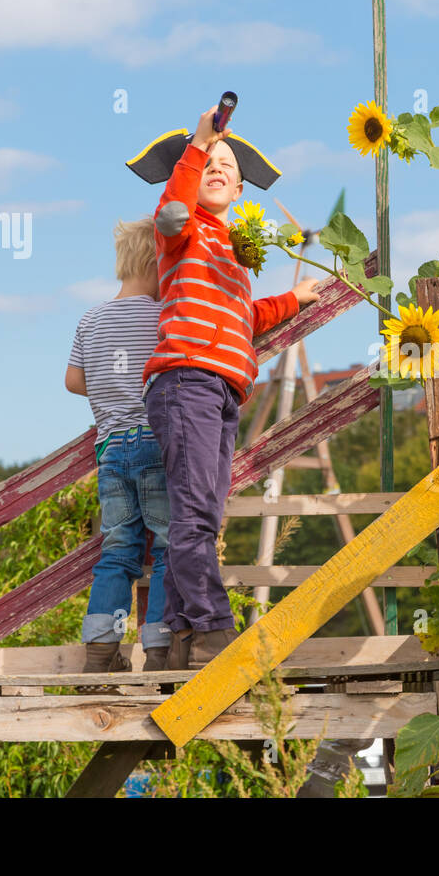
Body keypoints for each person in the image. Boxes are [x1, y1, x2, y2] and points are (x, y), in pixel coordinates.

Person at [142, 106, 320, 669]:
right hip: (187, 379)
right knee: (194, 513)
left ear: (242, 189)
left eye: (227, 166)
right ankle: (215, 630)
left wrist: (295, 300)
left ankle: (179, 638)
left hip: (223, 389)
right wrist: (198, 143)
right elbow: (171, 210)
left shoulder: (237, 252)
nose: (217, 169)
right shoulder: (183, 230)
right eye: (209, 165)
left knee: (202, 515)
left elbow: (246, 314)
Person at [65, 215, 172, 685]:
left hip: (110, 449)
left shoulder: (90, 319)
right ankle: (160, 650)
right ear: (159, 264)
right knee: (168, 546)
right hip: (155, 441)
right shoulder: (163, 316)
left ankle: (102, 649)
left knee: (117, 550)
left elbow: (73, 381)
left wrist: (109, 390)